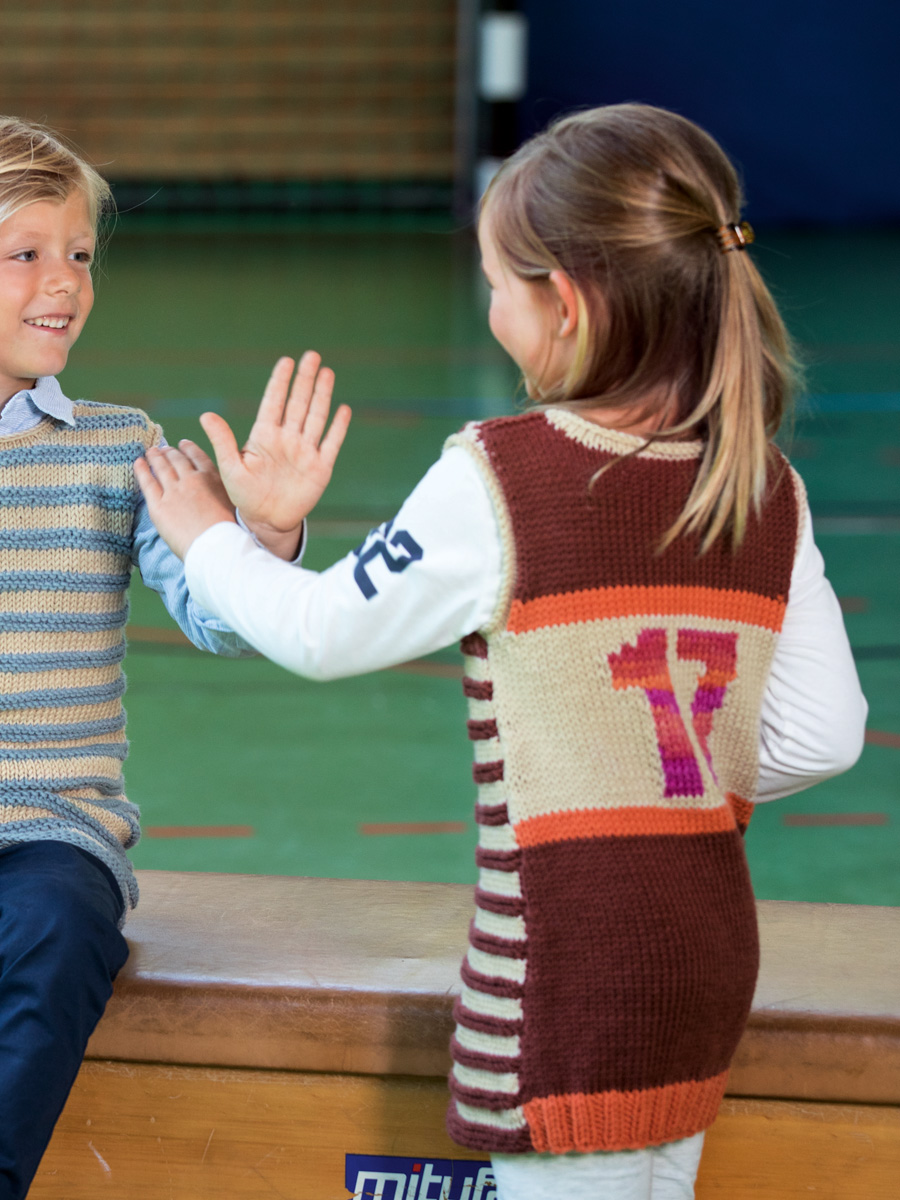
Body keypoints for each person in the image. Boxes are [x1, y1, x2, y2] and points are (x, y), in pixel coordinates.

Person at [137, 104, 867, 1200]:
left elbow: (321, 631)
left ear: (563, 303)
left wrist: (213, 538)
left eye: (493, 283)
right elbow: (826, 735)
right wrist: (650, 766)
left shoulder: (504, 477)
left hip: (572, 984)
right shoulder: (765, 483)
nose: (488, 310)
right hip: (705, 967)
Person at [0, 115, 291, 1200]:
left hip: (47, 831)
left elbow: (219, 615)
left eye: (79, 253)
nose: (63, 281)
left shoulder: (120, 449)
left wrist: (260, 535)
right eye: (27, 253)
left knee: (58, 927)